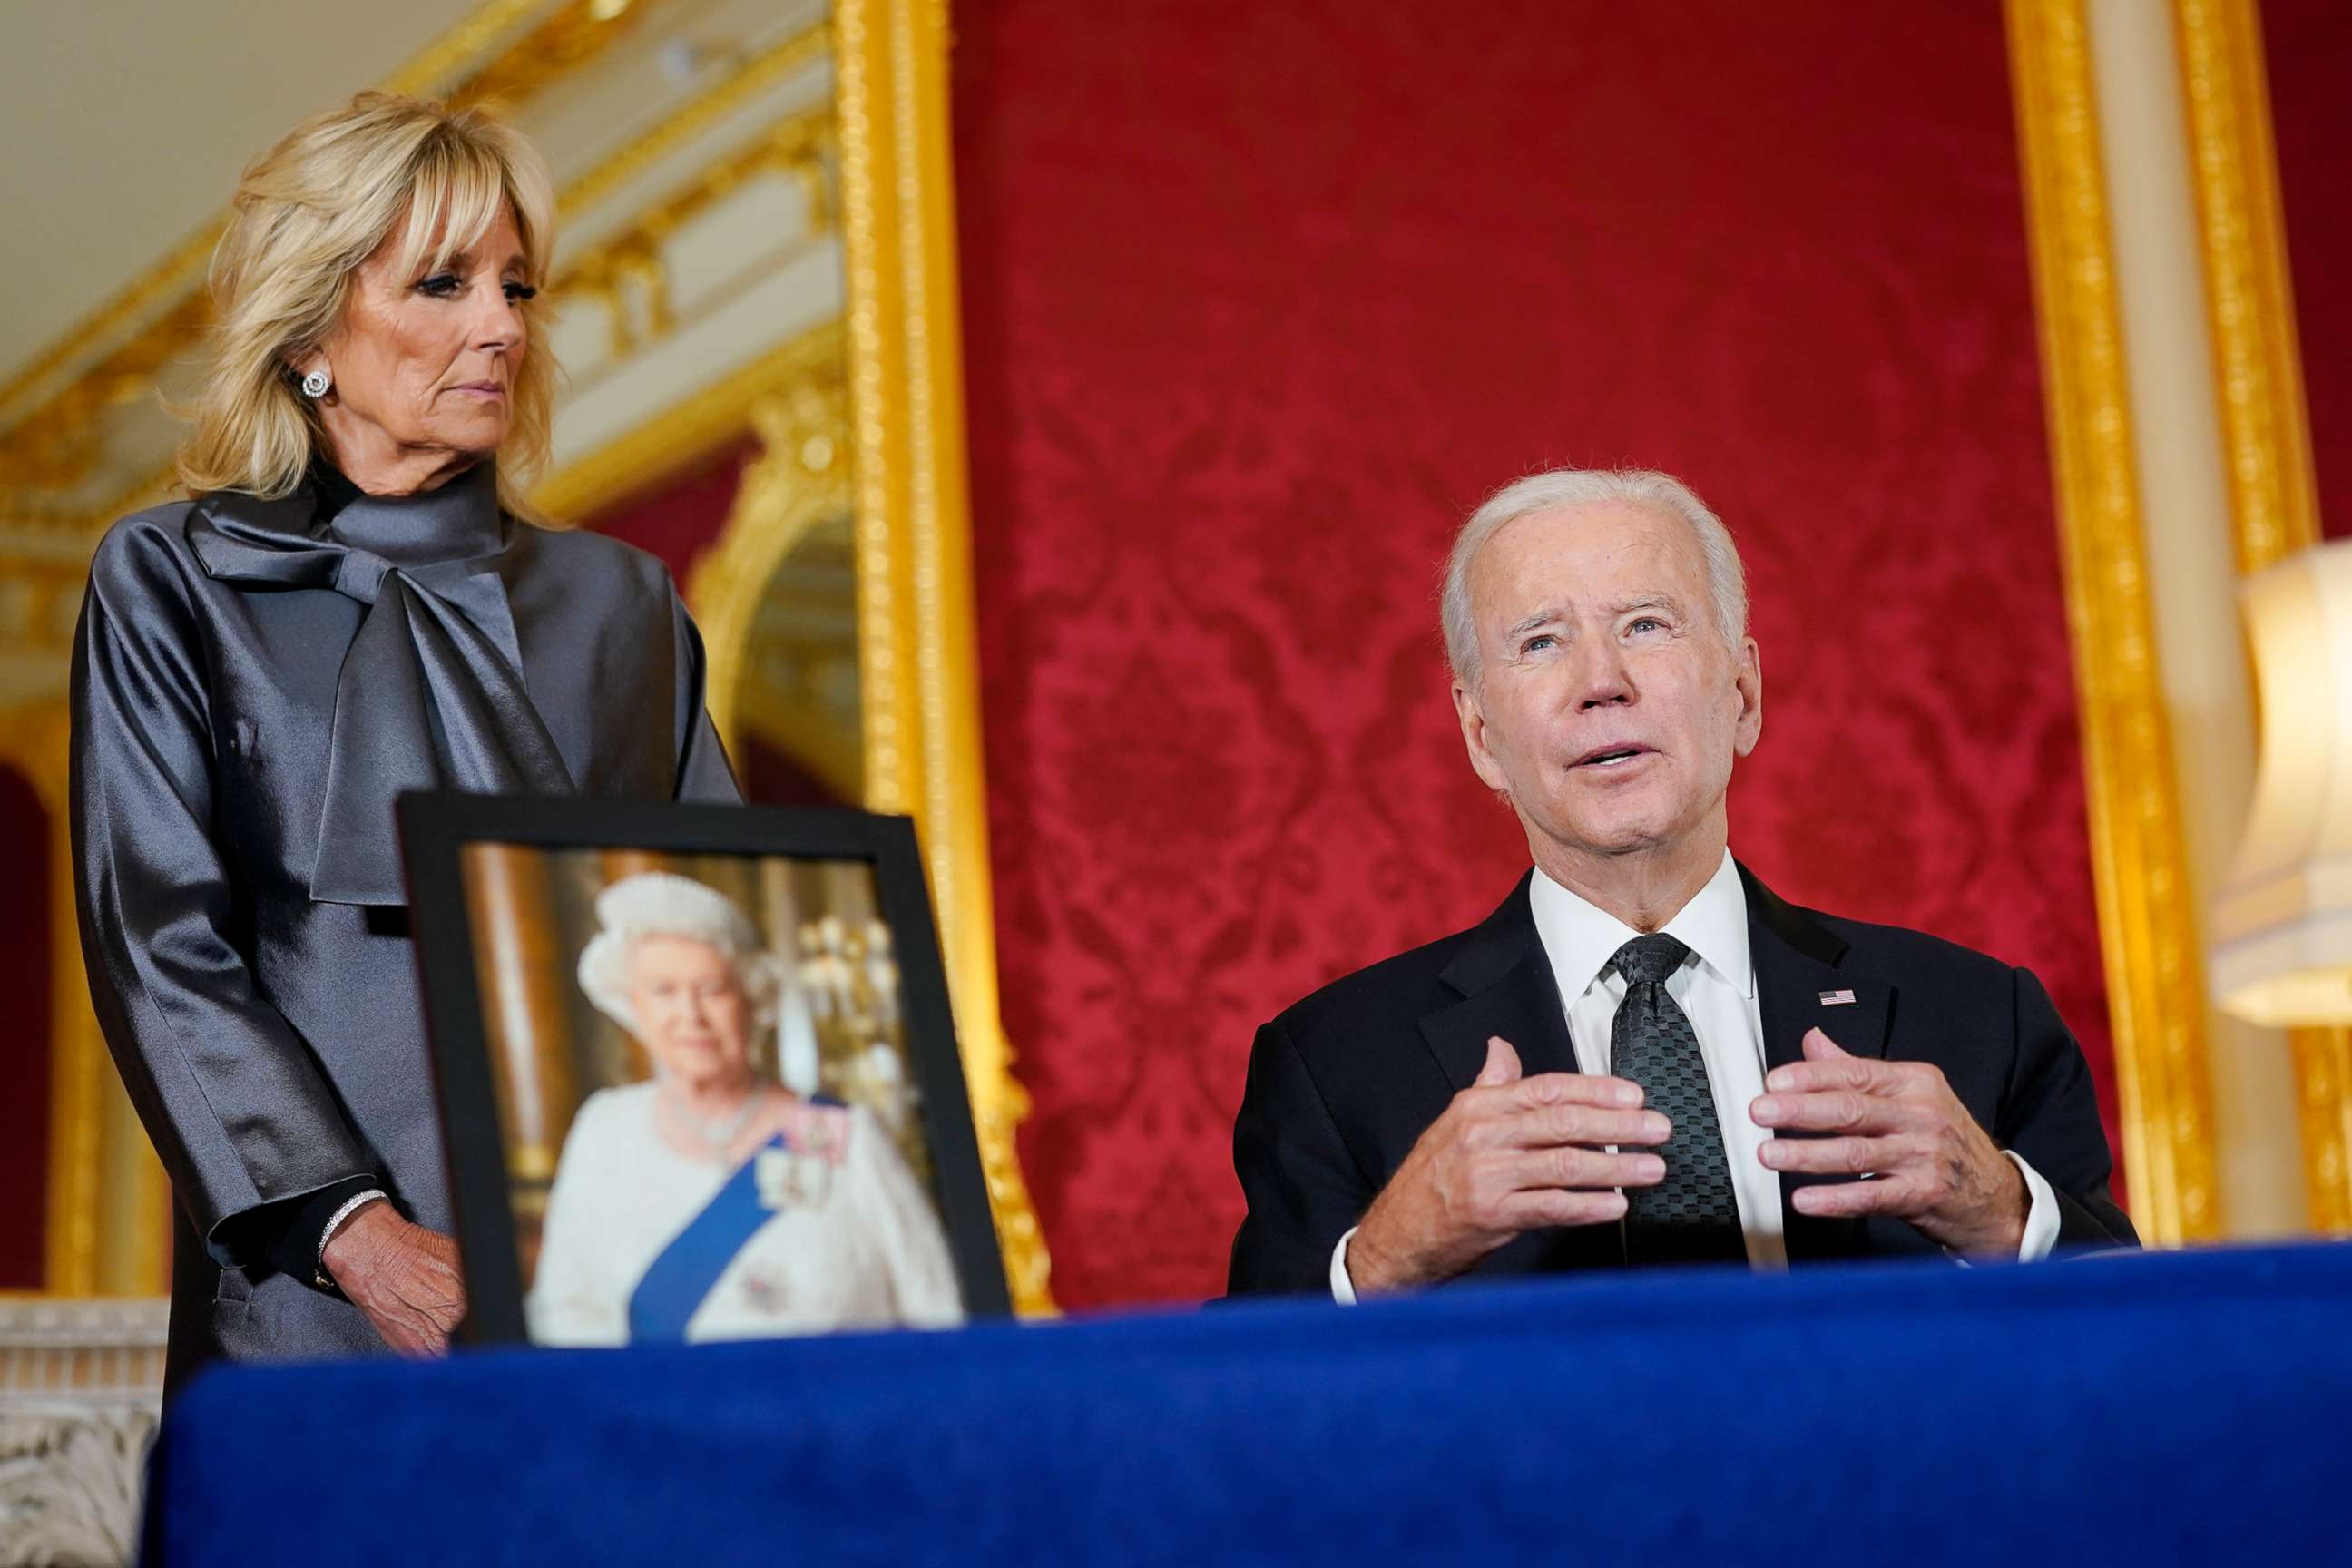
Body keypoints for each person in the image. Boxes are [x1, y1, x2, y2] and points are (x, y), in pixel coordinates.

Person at [71, 93, 739, 1390]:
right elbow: (160, 942)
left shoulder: (623, 605)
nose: (501, 324)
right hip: (310, 1292)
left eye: (517, 286)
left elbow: (715, 929)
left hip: (611, 1289)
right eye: (443, 283)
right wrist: (354, 1235)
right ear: (313, 325)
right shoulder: (172, 579)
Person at [1226, 468, 2134, 1301]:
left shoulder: (1982, 1019)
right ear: (1480, 737)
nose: (1602, 683)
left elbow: (2143, 1363)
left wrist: (2002, 1216)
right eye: (1541, 642)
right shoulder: (1333, 1067)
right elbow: (1240, 1415)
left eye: (1645, 627)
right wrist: (1389, 1255)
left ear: (1742, 693)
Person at [528, 873, 961, 1344]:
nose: (690, 1016)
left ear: (752, 1000)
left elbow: (938, 1308)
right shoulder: (606, 1128)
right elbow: (565, 1309)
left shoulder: (843, 1134)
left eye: (713, 989)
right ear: (635, 1007)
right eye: (663, 991)